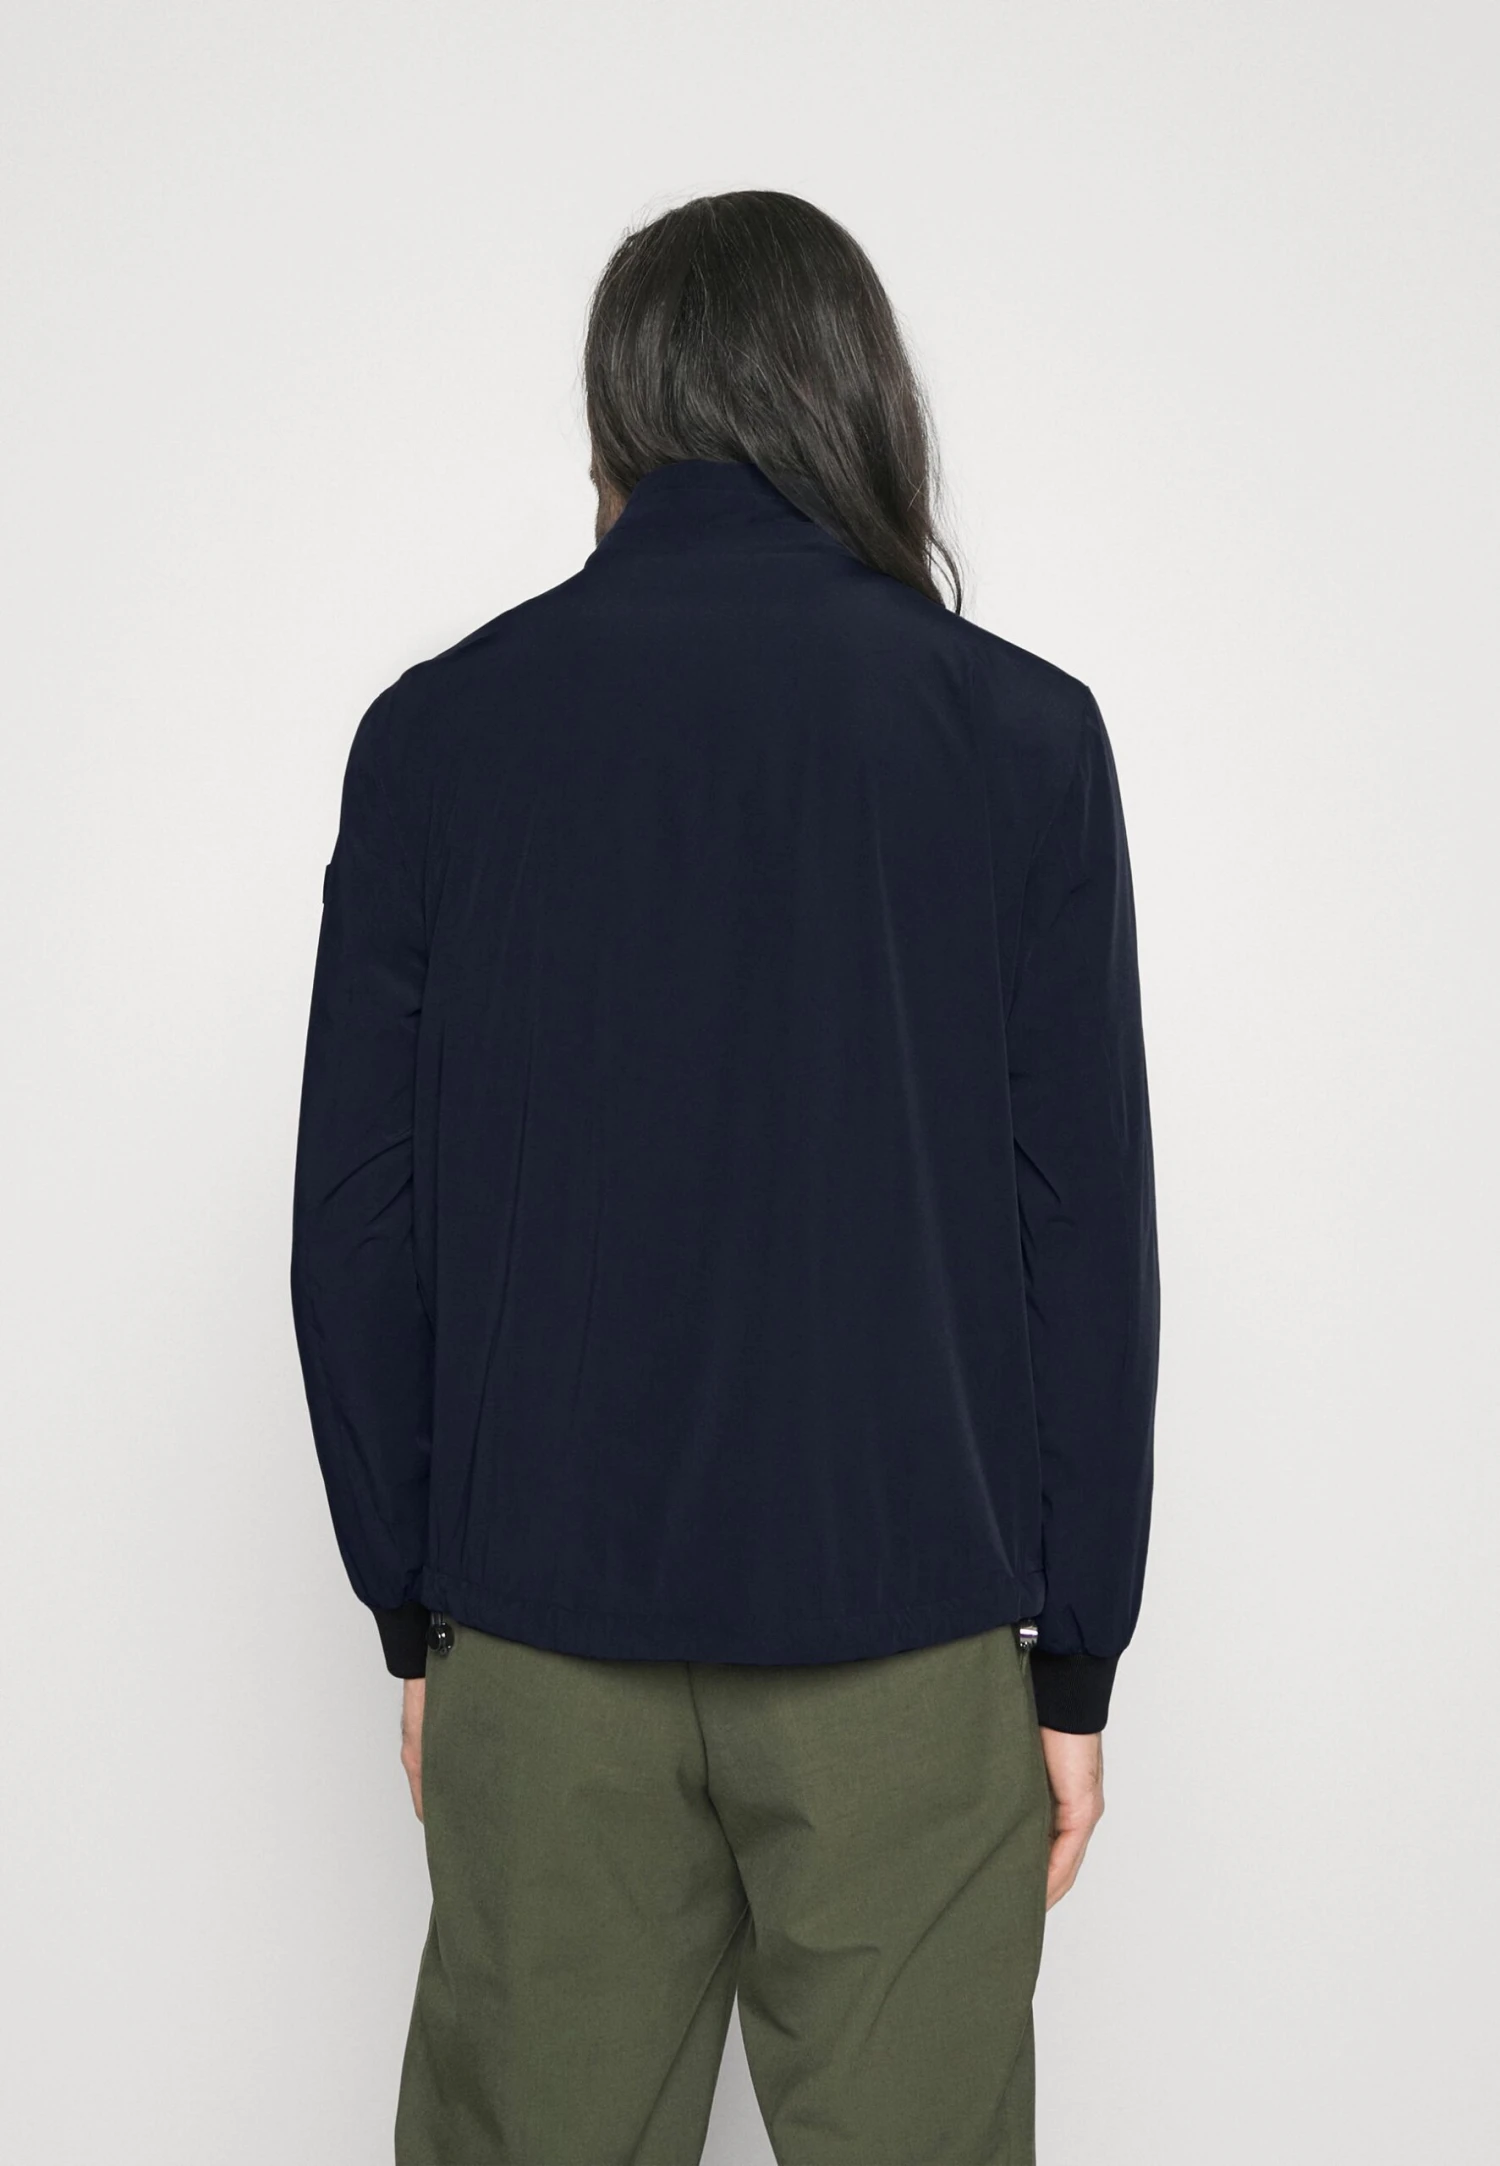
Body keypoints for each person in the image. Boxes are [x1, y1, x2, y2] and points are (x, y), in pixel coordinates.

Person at [291, 189, 1159, 2166]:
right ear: (859, 400)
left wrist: (414, 1609)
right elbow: (1084, 1236)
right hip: (908, 1642)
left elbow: (357, 1227)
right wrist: (1076, 1649)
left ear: (623, 409)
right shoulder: (1018, 739)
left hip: (539, 1638)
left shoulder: (438, 737)